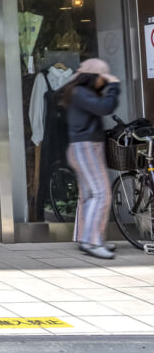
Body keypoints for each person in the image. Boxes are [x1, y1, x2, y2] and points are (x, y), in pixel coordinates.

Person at [60, 58, 121, 260]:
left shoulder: (79, 92)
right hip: (86, 148)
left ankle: (87, 238)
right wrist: (113, 87)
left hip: (83, 147)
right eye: (102, 78)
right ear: (93, 76)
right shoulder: (81, 93)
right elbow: (105, 107)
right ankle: (92, 242)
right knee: (102, 194)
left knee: (89, 195)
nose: (103, 81)